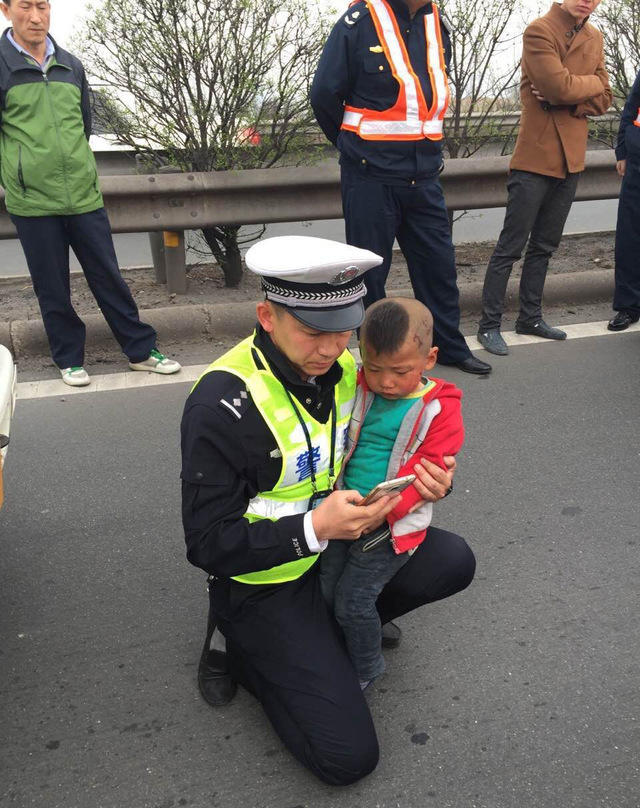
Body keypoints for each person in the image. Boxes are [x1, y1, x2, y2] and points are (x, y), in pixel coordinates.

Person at [181, 235, 476, 786]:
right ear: (267, 316)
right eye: (314, 332)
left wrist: (436, 481)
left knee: (453, 559)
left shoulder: (350, 370)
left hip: (341, 546)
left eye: (345, 331)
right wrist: (315, 528)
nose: (332, 349)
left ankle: (332, 631)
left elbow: (409, 432)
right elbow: (207, 543)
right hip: (266, 575)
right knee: (347, 760)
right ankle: (235, 639)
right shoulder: (222, 403)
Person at [0, 0, 180, 386]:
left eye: (42, 6)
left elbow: (84, 124)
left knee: (108, 275)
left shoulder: (71, 65)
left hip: (82, 194)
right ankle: (68, 358)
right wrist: (21, 173)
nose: (36, 17)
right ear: (6, 10)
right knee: (52, 285)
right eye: (25, 7)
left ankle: (139, 350)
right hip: (33, 201)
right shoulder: (1, 68)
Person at [310, 0, 491, 377]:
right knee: (370, 275)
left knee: (438, 268)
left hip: (423, 176)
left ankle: (449, 348)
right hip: (370, 175)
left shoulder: (436, 22)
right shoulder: (359, 20)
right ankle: (376, 359)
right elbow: (324, 92)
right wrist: (349, 145)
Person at [320, 297, 464, 690]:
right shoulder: (359, 384)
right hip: (344, 509)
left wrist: (380, 514)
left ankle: (365, 668)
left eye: (400, 371)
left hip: (390, 526)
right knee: (326, 588)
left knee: (352, 601)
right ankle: (352, 637)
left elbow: (428, 473)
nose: (385, 381)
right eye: (375, 367)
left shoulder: (441, 409)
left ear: (430, 358)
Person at [476, 0, 612, 356]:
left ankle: (530, 318)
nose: (588, 1)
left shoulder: (595, 36)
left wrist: (570, 98)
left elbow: (605, 98)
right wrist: (582, 88)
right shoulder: (539, 30)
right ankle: (489, 324)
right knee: (510, 247)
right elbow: (557, 87)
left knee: (545, 247)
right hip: (535, 159)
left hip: (571, 160)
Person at [607, 70, 640, 331]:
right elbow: (630, 109)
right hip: (638, 163)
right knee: (630, 236)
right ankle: (628, 307)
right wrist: (622, 150)